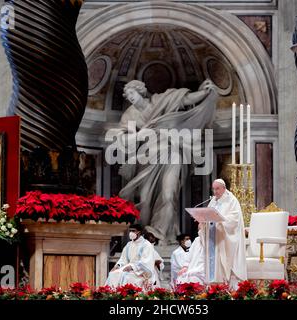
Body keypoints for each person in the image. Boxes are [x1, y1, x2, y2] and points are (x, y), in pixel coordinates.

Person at [113, 79, 219, 244]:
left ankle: (159, 233)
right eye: (127, 96)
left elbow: (184, 99)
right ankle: (144, 237)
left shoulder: (159, 100)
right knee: (145, 198)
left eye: (132, 93)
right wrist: (139, 136)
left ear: (140, 91)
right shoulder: (130, 114)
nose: (130, 98)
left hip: (172, 149)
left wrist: (204, 93)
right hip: (147, 156)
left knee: (169, 194)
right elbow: (120, 138)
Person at [179, 179, 247, 289]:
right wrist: (201, 220)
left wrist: (220, 220)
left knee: (220, 263)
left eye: (217, 189)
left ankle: (222, 285)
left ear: (224, 188)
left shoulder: (231, 200)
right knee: (211, 264)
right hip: (212, 238)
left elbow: (234, 219)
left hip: (223, 238)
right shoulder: (213, 201)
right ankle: (212, 286)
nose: (215, 192)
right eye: (213, 189)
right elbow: (208, 215)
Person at [105, 224, 156, 289]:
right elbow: (123, 259)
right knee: (113, 274)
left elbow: (146, 261)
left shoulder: (146, 245)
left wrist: (133, 267)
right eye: (130, 231)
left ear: (139, 232)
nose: (131, 233)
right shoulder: (129, 244)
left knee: (126, 276)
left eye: (133, 231)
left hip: (139, 272)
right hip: (128, 268)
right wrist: (118, 266)